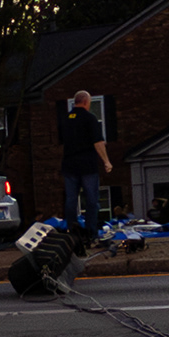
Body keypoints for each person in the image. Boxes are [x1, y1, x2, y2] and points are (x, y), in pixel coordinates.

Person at [57, 90, 112, 232]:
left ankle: (72, 230)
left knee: (71, 200)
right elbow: (97, 142)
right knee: (91, 200)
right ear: (86, 102)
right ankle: (91, 232)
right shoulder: (90, 118)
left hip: (69, 164)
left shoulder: (65, 118)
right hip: (87, 165)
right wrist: (106, 161)